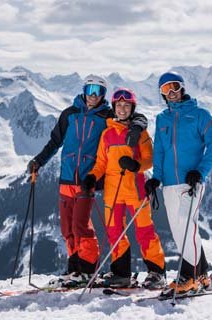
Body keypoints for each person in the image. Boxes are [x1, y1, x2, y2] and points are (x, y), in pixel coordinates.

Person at [27, 75, 148, 287]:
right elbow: (55, 142)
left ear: (103, 95)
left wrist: (137, 126)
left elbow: (134, 117)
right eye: (90, 89)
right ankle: (74, 269)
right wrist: (39, 161)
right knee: (67, 228)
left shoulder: (107, 115)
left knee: (81, 226)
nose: (93, 95)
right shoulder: (70, 114)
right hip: (66, 177)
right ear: (84, 90)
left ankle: (87, 269)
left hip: (87, 180)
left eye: (99, 91)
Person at [145, 72, 212, 294]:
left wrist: (200, 171)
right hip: (169, 183)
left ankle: (189, 276)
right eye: (165, 89)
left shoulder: (200, 115)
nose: (171, 92)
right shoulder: (162, 119)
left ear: (182, 88)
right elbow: (159, 150)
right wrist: (156, 177)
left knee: (187, 227)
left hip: (191, 183)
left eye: (174, 87)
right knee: (180, 231)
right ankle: (203, 275)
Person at [82, 88, 166, 289]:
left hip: (135, 190)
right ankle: (121, 274)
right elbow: (101, 162)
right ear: (114, 107)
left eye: (126, 105)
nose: (122, 109)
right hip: (112, 192)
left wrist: (137, 165)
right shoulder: (107, 134)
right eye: (118, 105)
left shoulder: (140, 133)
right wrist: (93, 176)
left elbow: (149, 159)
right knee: (114, 232)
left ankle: (156, 272)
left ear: (132, 108)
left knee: (144, 231)